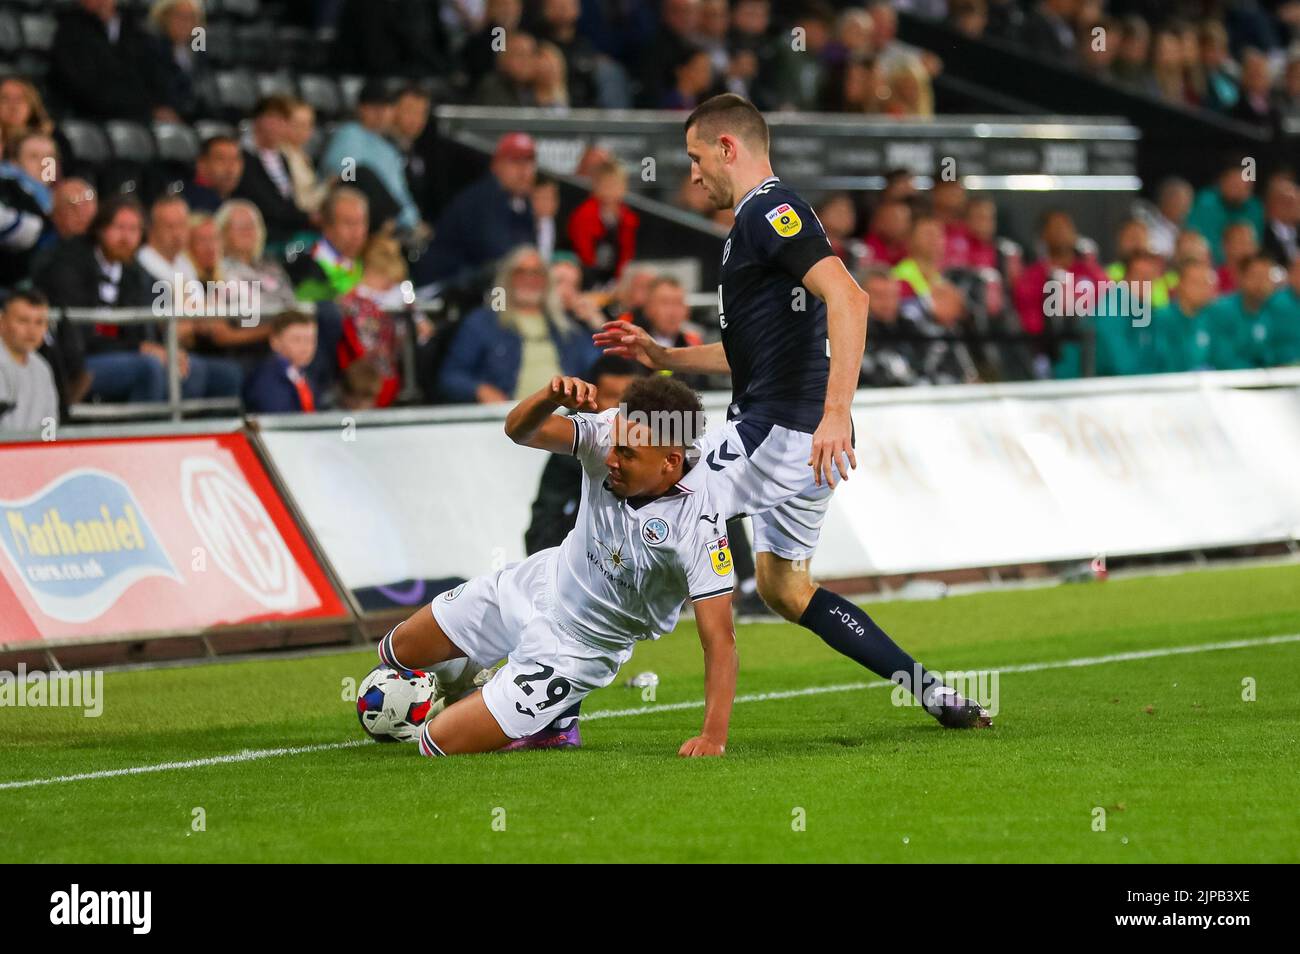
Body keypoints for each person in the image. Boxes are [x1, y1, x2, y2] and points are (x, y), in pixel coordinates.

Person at [596, 93, 991, 730]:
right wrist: (663, 354)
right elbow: (748, 349)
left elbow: (851, 299)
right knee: (785, 589)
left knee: (645, 507)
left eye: (697, 158)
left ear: (729, 147)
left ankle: (545, 687)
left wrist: (836, 413)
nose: (692, 174)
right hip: (802, 439)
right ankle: (934, 693)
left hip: (784, 431)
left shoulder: (769, 211)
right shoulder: (753, 226)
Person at [378, 373, 739, 756]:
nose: (610, 458)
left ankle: (553, 716)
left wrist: (713, 736)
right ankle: (476, 681)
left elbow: (720, 640)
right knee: (398, 651)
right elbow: (519, 431)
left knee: (437, 743)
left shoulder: (699, 526)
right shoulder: (613, 431)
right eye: (614, 446)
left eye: (627, 455)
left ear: (670, 462)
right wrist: (549, 397)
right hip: (536, 583)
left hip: (577, 650)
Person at [439, 245, 598, 403]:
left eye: (536, 273)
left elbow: (601, 368)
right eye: (520, 272)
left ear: (546, 281)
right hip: (507, 419)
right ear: (507, 278)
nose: (529, 279)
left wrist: (596, 321)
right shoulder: (483, 322)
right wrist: (480, 389)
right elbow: (451, 377)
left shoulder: (565, 326)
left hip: (564, 417)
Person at [524, 354, 642, 554]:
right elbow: (543, 531)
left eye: (628, 399)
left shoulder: (646, 433)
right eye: (612, 396)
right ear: (591, 398)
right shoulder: (574, 441)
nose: (620, 409)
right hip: (567, 555)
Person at [566, 159, 639, 286]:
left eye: (615, 185)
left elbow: (627, 256)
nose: (610, 191)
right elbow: (584, 255)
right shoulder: (583, 215)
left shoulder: (629, 219)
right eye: (606, 185)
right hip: (586, 278)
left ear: (624, 188)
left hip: (617, 280)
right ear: (596, 187)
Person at [289, 187, 368, 302]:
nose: (357, 231)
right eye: (349, 223)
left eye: (361, 222)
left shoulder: (372, 258)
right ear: (327, 227)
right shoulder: (307, 268)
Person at [0, 290, 60, 432]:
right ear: (2, 323)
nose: (32, 330)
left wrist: (46, 449)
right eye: (23, 321)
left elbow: (50, 424)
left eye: (39, 322)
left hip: (33, 452)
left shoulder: (42, 368)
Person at [243, 312, 319, 413]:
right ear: (275, 342)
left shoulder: (304, 374)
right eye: (296, 340)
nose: (306, 347)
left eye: (310, 340)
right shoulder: (266, 380)